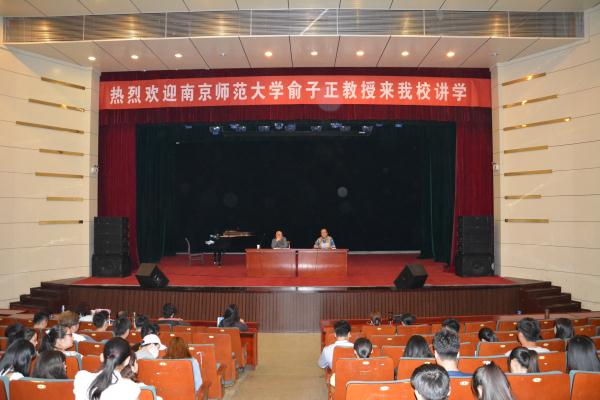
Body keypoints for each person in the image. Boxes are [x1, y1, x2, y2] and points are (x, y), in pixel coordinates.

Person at [73, 337, 140, 400]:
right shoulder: (131, 388)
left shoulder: (81, 377)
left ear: (102, 357)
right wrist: (132, 375)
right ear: (127, 361)